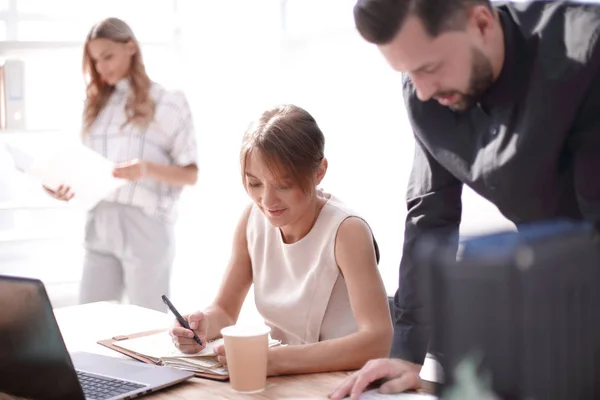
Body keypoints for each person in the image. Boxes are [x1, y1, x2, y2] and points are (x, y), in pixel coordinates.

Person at [330, 0, 600, 398]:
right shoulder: (426, 94)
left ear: (481, 23)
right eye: (407, 73)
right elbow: (430, 214)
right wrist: (407, 353)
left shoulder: (585, 53)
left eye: (430, 67)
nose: (421, 90)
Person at [170, 104, 393, 376]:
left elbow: (378, 341)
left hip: (342, 380)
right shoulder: (252, 220)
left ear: (319, 171)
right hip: (282, 378)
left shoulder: (347, 230)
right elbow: (225, 310)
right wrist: (202, 324)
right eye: (255, 183)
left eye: (283, 185)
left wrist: (275, 360)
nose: (267, 200)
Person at [44, 17, 198, 312]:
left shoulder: (168, 102)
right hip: (99, 221)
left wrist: (146, 169)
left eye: (107, 56)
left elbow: (191, 174)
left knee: (148, 328)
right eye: (95, 61)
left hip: (146, 224)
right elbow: (87, 168)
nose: (101, 68)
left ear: (131, 48)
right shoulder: (96, 106)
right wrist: (65, 187)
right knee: (89, 321)